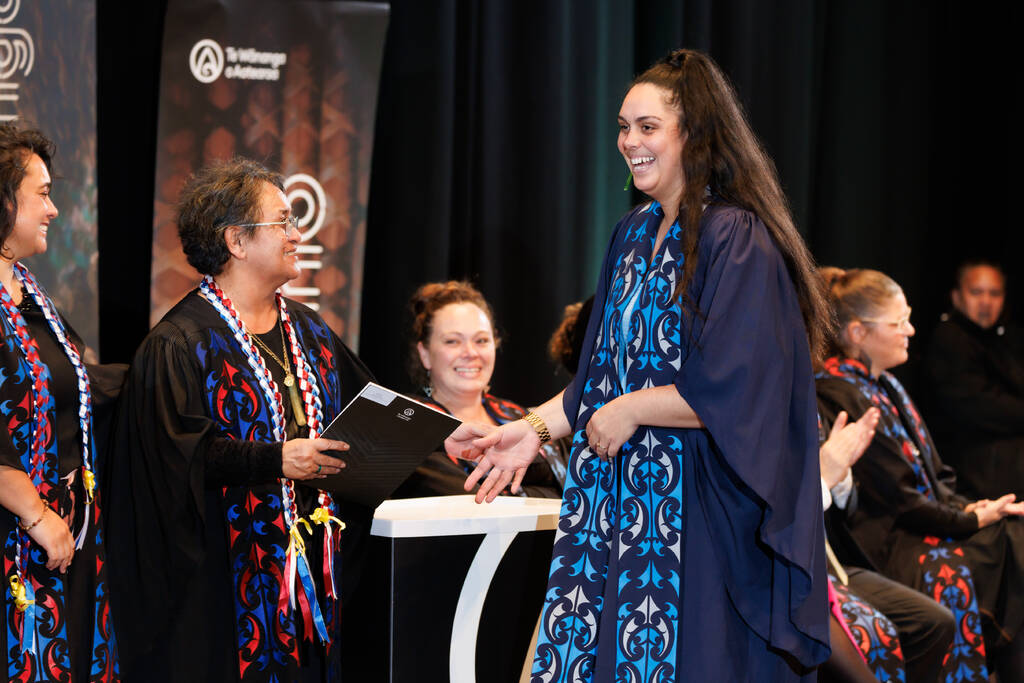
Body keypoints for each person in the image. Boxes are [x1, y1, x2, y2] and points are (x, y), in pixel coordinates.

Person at [447, 49, 832, 681]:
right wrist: (531, 430)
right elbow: (598, 380)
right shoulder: (630, 234)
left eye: (648, 127)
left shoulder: (736, 238)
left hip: (694, 506)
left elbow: (738, 385)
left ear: (695, 135)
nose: (630, 142)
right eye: (624, 127)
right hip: (611, 499)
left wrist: (632, 408)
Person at [105, 158, 374, 682]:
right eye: (283, 221)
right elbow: (172, 459)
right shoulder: (179, 344)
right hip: (223, 594)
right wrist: (274, 460)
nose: (297, 234)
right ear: (236, 241)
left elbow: (368, 411)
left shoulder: (310, 330)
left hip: (310, 584)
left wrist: (449, 438)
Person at [815, 267, 1024, 682]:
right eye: (898, 323)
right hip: (890, 540)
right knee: (1009, 546)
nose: (910, 330)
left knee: (1014, 533)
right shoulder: (839, 392)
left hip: (917, 522)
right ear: (858, 333)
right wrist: (970, 520)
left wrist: (970, 508)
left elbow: (936, 474)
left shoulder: (886, 385)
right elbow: (900, 501)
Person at [0, 124, 120, 680]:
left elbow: (77, 382)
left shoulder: (29, 292)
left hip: (60, 534)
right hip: (22, 535)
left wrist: (163, 371)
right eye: (42, 194)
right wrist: (37, 515)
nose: (52, 209)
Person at [392, 280, 565, 498]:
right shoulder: (409, 422)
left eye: (481, 340)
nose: (471, 353)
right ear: (425, 354)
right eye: (453, 341)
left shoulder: (520, 415)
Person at [924, 259, 1024, 501]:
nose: (986, 302)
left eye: (994, 293)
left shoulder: (1006, 337)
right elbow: (978, 406)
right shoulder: (950, 338)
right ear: (956, 296)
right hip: (972, 469)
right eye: (976, 292)